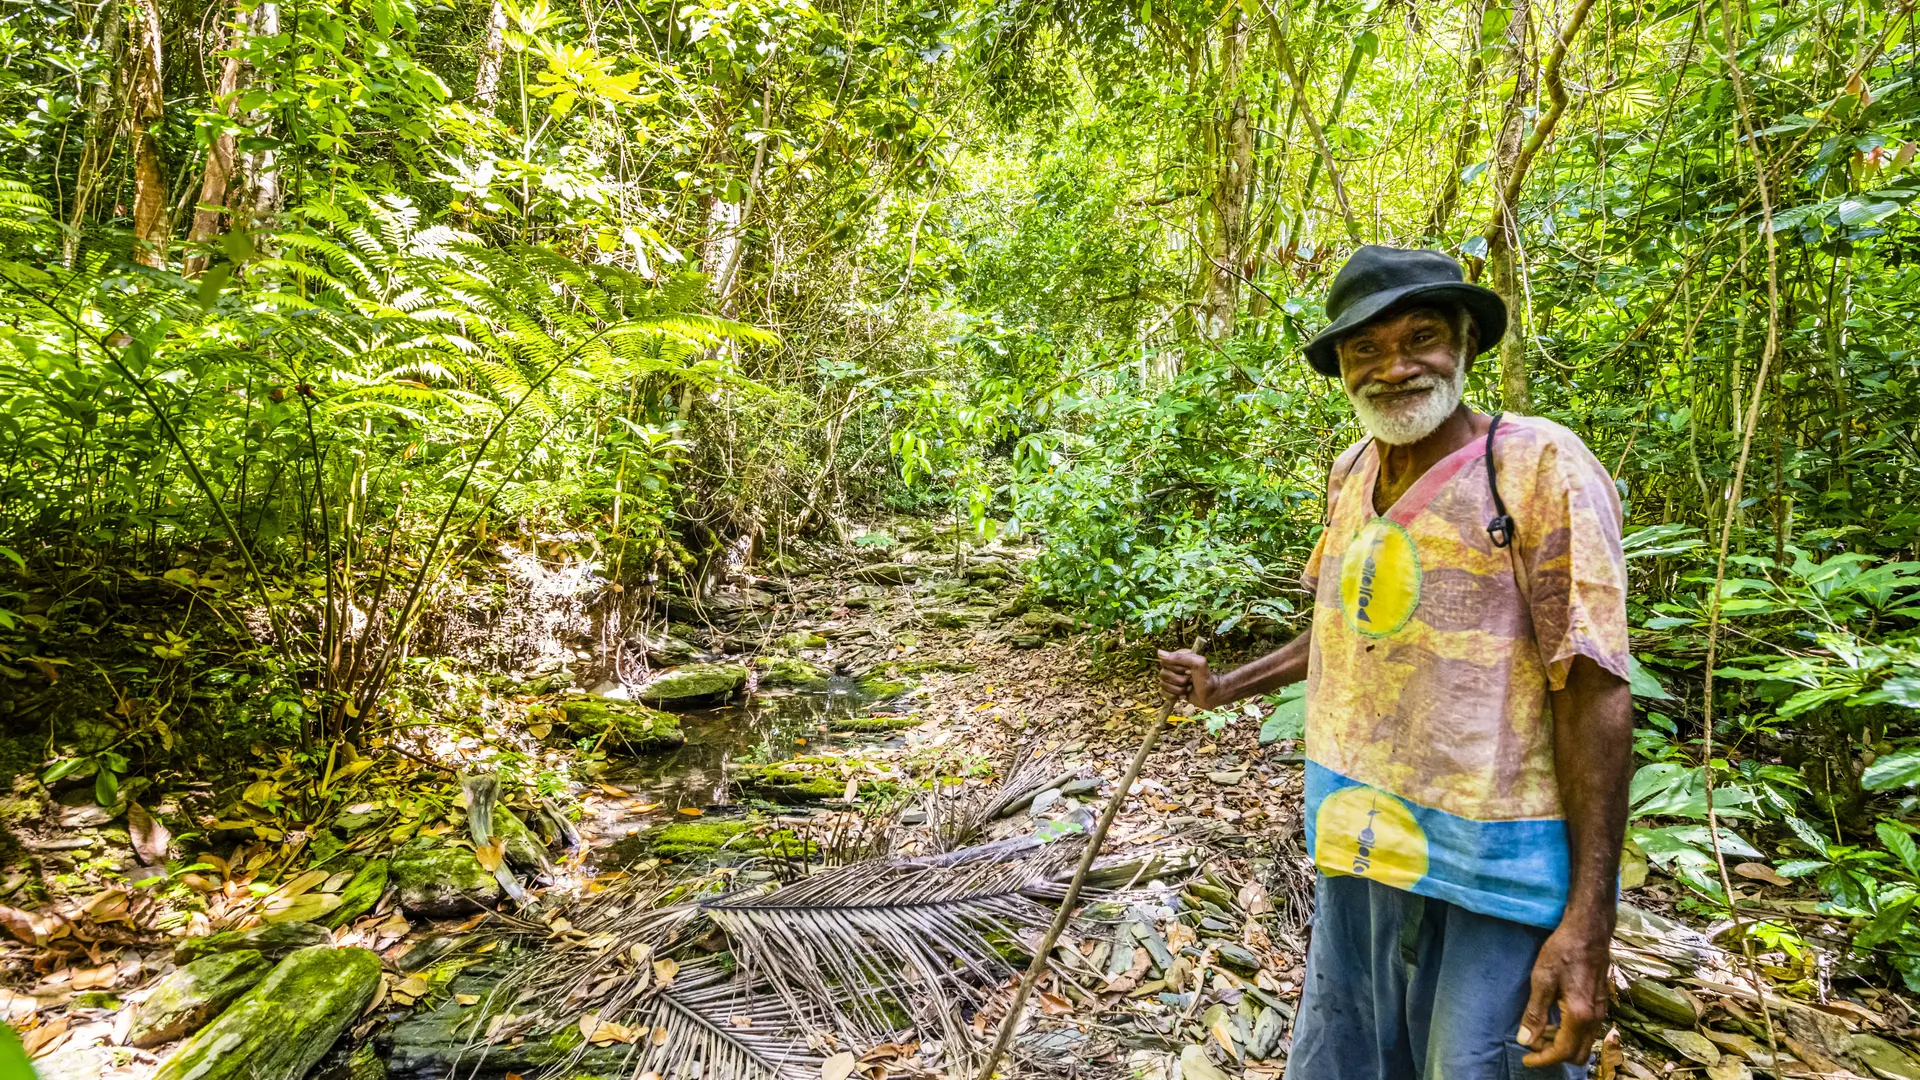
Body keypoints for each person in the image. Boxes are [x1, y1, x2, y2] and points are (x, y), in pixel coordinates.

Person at [1158, 246, 1633, 1079]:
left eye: (1421, 339)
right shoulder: (1351, 471)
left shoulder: (1537, 465)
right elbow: (1339, 628)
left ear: (1467, 347)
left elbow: (1592, 684)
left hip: (1496, 862)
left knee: (1480, 1063)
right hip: (1360, 835)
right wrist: (1223, 686)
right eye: (1364, 350)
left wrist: (1589, 922)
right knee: (1358, 1055)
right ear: (1342, 367)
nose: (1395, 367)